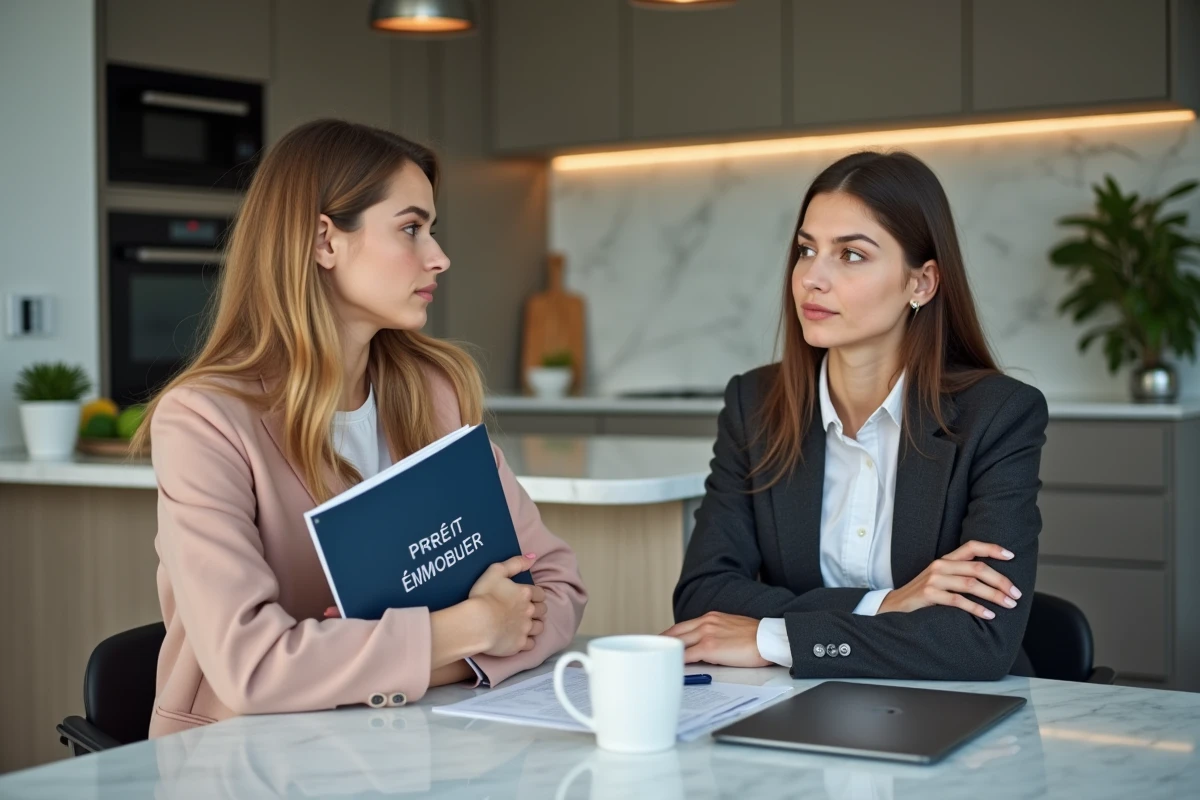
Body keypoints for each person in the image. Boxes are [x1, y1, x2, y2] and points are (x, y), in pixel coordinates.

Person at [134, 119, 587, 737]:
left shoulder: (436, 394)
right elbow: (252, 668)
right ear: (324, 241)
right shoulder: (204, 422)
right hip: (250, 763)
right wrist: (473, 628)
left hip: (420, 747)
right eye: (410, 229)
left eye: (432, 229)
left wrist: (373, 658)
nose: (439, 256)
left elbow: (556, 585)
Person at [666, 151, 1046, 680]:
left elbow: (978, 641)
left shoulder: (998, 415)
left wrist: (771, 636)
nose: (811, 279)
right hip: (792, 709)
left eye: (851, 255)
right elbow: (703, 595)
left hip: (960, 714)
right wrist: (883, 606)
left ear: (922, 284)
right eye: (806, 250)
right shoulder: (753, 404)